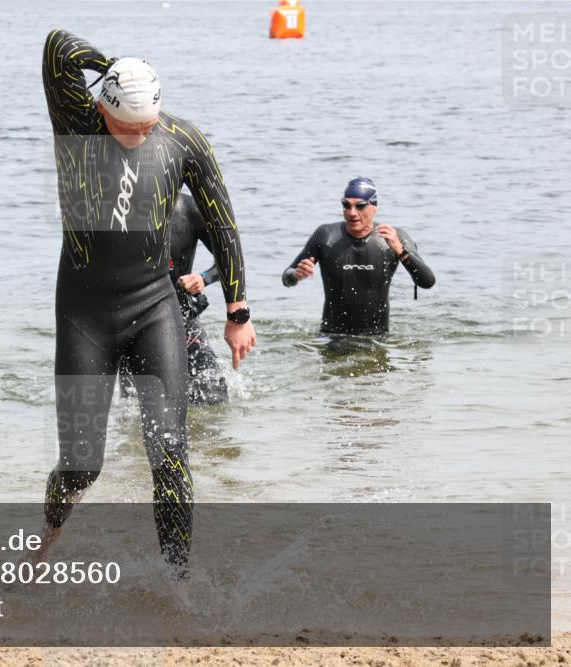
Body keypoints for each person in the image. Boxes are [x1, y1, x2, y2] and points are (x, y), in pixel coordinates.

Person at [37, 29, 256, 573]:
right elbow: (58, 47)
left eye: (147, 125)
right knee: (81, 466)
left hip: (153, 309)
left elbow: (223, 223)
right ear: (102, 108)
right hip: (84, 316)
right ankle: (48, 532)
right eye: (128, 126)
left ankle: (178, 582)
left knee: (169, 449)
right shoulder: (77, 126)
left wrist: (238, 311)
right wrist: (118, 68)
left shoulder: (182, 139)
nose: (140, 134)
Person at [282, 177, 435, 335]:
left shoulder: (395, 237)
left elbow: (427, 282)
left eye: (360, 206)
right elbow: (286, 279)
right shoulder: (326, 235)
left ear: (374, 207)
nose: (352, 213)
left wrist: (400, 251)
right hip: (332, 336)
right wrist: (296, 275)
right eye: (346, 205)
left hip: (377, 338)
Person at [120, 192, 229, 405]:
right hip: (134, 326)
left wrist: (203, 278)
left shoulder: (189, 208)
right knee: (135, 408)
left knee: (214, 397)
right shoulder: (119, 211)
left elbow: (228, 258)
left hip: (183, 319)